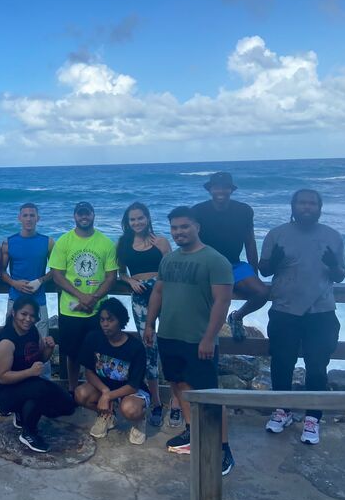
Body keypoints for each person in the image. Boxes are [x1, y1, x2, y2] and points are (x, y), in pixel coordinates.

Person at [144, 206, 235, 476]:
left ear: (197, 227)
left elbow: (223, 301)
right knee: (179, 386)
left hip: (199, 340)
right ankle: (191, 431)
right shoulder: (168, 260)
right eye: (174, 228)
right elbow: (158, 293)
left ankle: (223, 449)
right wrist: (150, 324)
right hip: (169, 335)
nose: (179, 232)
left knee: (210, 397)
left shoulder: (215, 260)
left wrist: (209, 338)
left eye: (184, 226)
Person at [259, 189, 345, 445]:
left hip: (321, 312)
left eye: (312, 203)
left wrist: (333, 265)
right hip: (284, 309)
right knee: (281, 364)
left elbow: (340, 275)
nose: (306, 207)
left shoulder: (332, 235)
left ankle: (313, 418)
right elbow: (264, 270)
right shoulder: (277, 234)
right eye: (301, 203)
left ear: (319, 207)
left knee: (317, 367)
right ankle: (282, 410)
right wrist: (274, 261)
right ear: (293, 206)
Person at [0, 295, 75, 453]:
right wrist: (30, 372)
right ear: (14, 313)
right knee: (40, 391)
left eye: (32, 315)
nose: (28, 319)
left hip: (28, 383)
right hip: (5, 392)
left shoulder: (32, 331)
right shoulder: (6, 342)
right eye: (24, 314)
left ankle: (22, 413)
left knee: (68, 406)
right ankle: (28, 433)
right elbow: (3, 378)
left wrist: (49, 349)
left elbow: (40, 359)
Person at [50, 201, 118, 394]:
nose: (84, 217)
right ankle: (73, 389)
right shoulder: (64, 241)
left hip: (98, 311)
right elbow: (57, 275)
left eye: (87, 213)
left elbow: (111, 276)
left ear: (93, 215)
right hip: (70, 308)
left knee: (99, 353)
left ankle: (99, 390)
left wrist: (94, 298)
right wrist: (82, 296)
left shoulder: (106, 242)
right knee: (72, 354)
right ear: (75, 216)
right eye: (80, 214)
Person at [116, 202, 174, 427]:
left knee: (170, 345)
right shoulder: (123, 243)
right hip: (140, 299)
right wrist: (129, 280)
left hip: (165, 296)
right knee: (149, 348)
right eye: (133, 219)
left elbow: (171, 269)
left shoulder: (160, 241)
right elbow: (120, 271)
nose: (137, 222)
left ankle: (177, 403)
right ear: (127, 222)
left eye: (140, 218)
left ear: (148, 218)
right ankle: (157, 403)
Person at [192, 172, 269, 341]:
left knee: (262, 292)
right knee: (208, 305)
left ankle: (236, 317)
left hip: (234, 265)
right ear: (210, 190)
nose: (221, 191)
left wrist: (253, 272)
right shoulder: (198, 211)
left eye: (225, 187)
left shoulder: (244, 210)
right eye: (216, 187)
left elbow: (250, 242)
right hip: (207, 266)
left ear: (231, 190)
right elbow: (191, 241)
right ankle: (202, 340)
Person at [75, 298, 150, 445]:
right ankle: (107, 415)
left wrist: (108, 396)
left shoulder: (135, 347)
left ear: (120, 320)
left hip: (130, 390)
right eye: (102, 320)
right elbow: (89, 370)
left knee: (129, 409)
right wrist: (104, 392)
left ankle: (139, 420)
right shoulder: (94, 338)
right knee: (80, 394)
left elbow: (134, 385)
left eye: (110, 320)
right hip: (105, 386)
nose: (105, 324)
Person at [0, 202, 55, 377]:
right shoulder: (9, 242)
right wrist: (14, 283)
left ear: (38, 218)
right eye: (25, 215)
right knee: (13, 343)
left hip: (39, 301)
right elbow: (1, 272)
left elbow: (56, 270)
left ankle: (43, 383)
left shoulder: (48, 242)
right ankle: (14, 383)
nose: (29, 219)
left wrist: (41, 280)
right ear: (19, 218)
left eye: (32, 215)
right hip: (15, 300)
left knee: (41, 344)